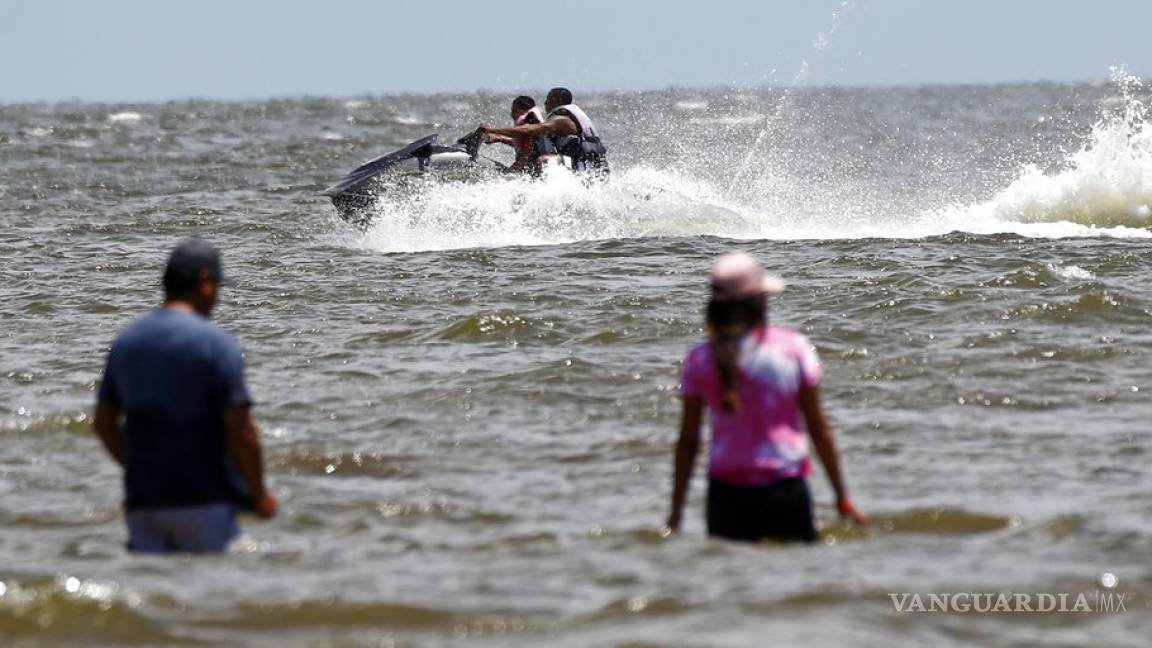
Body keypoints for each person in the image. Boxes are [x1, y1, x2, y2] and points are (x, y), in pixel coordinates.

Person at [666, 252, 868, 543]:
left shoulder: (699, 360)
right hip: (785, 489)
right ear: (761, 300)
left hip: (726, 495)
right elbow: (819, 430)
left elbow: (688, 442)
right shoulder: (793, 349)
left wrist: (676, 513)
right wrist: (842, 496)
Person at [93, 239, 277, 553]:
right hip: (203, 502)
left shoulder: (126, 342)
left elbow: (104, 424)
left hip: (143, 504)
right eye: (217, 286)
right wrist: (259, 494)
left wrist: (140, 467)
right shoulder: (215, 343)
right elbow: (241, 430)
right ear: (205, 283)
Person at [480, 87, 608, 174]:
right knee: (543, 157)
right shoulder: (564, 118)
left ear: (558, 100)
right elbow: (538, 143)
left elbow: (529, 131)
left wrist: (492, 130)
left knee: (544, 160)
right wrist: (500, 139)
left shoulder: (560, 120)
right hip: (591, 165)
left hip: (585, 166)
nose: (545, 103)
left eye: (548, 99)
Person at [483, 95, 554, 175]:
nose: (511, 114)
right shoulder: (534, 122)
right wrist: (500, 139)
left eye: (513, 110)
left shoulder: (530, 121)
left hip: (535, 169)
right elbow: (524, 144)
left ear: (522, 111)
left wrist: (512, 171)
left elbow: (528, 149)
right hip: (534, 167)